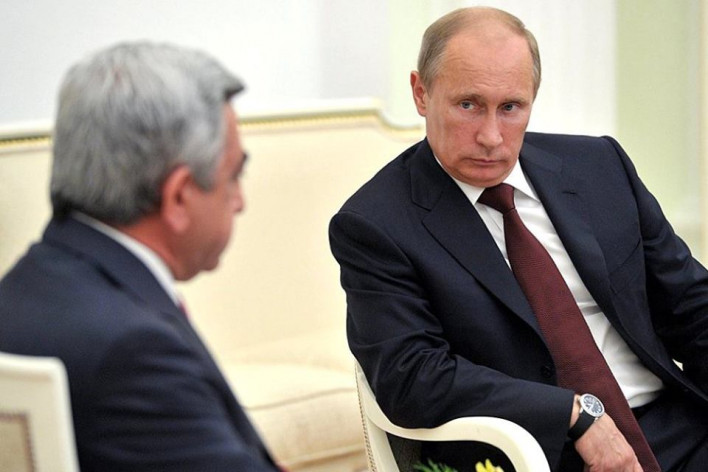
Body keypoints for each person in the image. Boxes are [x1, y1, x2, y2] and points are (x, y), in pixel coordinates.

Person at [329, 7, 708, 472]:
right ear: (421, 93)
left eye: (510, 107)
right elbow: (412, 377)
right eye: (468, 105)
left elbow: (691, 305)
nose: (491, 137)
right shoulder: (375, 224)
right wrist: (574, 414)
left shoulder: (599, 167)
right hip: (538, 450)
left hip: (678, 426)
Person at [0, 42, 282, 471]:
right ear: (178, 197)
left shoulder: (22, 288)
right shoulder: (134, 353)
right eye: (233, 175)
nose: (240, 201)